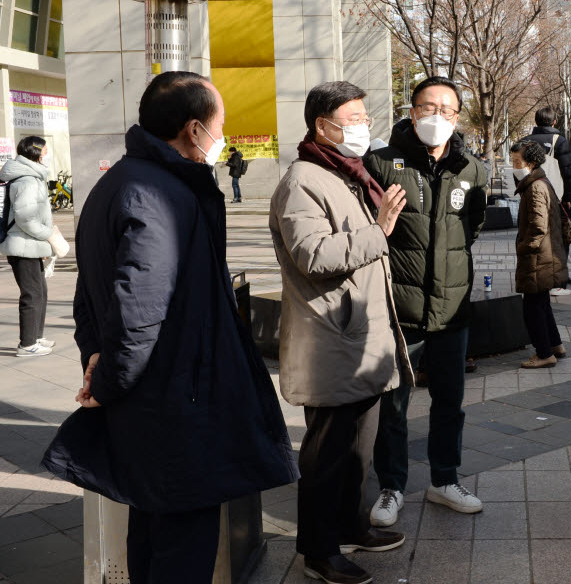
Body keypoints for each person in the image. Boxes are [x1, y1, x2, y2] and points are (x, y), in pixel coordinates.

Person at [42, 72, 299, 584]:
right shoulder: (159, 195)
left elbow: (89, 293)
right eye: (220, 125)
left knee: (153, 523)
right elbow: (140, 311)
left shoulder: (118, 181)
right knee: (183, 539)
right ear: (194, 128)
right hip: (178, 398)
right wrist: (108, 379)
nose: (222, 137)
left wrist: (95, 357)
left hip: (155, 396)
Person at [270, 81, 415, 584]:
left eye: (364, 117)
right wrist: (380, 230)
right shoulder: (303, 180)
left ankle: (352, 527)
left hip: (362, 336)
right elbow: (313, 256)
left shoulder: (347, 173)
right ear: (321, 126)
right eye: (350, 119)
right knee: (327, 455)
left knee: (359, 448)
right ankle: (318, 549)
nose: (361, 127)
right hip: (330, 337)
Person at [365, 75, 488, 526]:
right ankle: (391, 486)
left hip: (451, 308)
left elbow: (471, 228)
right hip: (399, 310)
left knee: (449, 402)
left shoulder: (474, 169)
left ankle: (444, 479)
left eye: (447, 111)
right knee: (392, 404)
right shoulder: (380, 163)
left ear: (457, 118)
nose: (437, 117)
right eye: (428, 107)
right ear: (412, 110)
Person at [0, 136, 57, 357]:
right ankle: (27, 344)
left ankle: (36, 337)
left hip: (30, 244)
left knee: (40, 291)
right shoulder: (28, 180)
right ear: (36, 152)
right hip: (23, 244)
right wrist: (48, 235)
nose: (47, 153)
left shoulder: (31, 176)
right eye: (45, 150)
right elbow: (25, 218)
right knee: (32, 294)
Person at [511, 140, 568, 369]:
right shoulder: (540, 181)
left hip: (538, 258)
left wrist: (524, 248)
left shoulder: (535, 187)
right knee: (542, 303)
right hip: (545, 256)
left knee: (532, 309)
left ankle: (544, 353)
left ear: (532, 162)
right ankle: (555, 345)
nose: (515, 166)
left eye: (517, 161)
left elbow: (538, 227)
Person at [519, 107, 571, 295]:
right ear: (554, 122)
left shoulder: (524, 142)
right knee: (561, 236)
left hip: (532, 195)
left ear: (537, 121)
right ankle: (558, 276)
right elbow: (567, 171)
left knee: (535, 233)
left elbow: (519, 171)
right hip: (558, 196)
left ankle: (538, 274)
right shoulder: (559, 141)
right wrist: (569, 197)